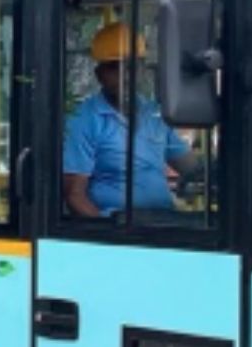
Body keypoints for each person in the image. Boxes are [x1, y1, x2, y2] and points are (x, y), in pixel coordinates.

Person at [63, 21, 201, 218]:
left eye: (131, 66)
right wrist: (105, 231)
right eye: (114, 67)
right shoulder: (83, 120)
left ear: (142, 70)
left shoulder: (154, 113)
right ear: (99, 75)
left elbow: (191, 167)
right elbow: (74, 196)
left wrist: (213, 172)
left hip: (164, 221)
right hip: (117, 227)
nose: (125, 75)